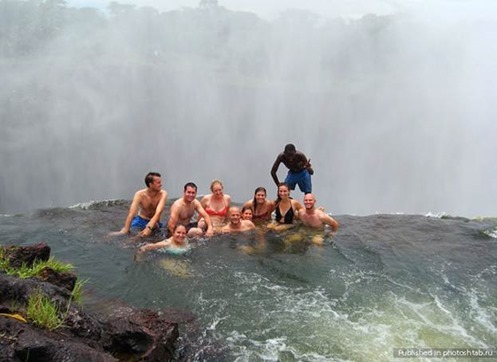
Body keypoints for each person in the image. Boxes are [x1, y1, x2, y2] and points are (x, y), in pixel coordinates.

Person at [113, 172, 167, 237]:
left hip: (154, 222)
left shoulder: (163, 194)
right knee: (134, 237)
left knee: (161, 237)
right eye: (158, 183)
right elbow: (131, 213)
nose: (161, 184)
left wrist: (149, 228)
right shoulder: (139, 195)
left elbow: (159, 212)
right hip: (140, 221)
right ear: (151, 184)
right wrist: (126, 229)